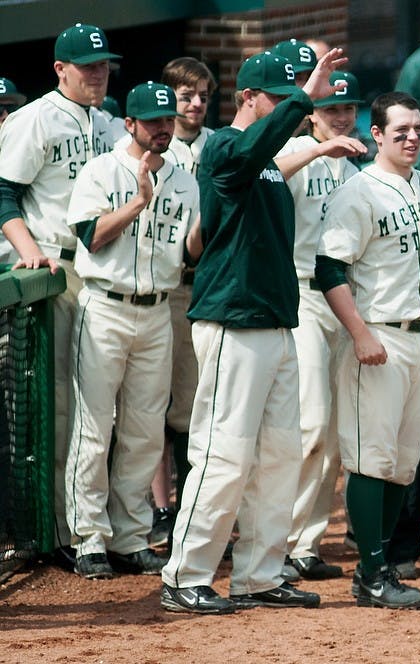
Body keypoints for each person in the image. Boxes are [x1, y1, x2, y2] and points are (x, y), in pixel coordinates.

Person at [160, 49, 346, 614]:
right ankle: (184, 573)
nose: (282, 110)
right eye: (274, 98)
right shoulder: (221, 145)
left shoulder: (263, 159)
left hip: (274, 319)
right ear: (248, 98)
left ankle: (261, 575)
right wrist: (304, 102)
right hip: (231, 318)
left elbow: (270, 160)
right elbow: (251, 151)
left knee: (279, 455)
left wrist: (315, 143)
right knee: (224, 452)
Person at [315, 91, 420, 609]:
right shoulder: (359, 193)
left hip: (419, 338)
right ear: (375, 134)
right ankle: (372, 571)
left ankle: (376, 572)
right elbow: (329, 270)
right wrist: (360, 334)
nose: (410, 138)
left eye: (417, 130)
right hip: (377, 337)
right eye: (399, 130)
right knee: (371, 460)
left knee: (404, 464)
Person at [0, 23, 126, 571]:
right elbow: (4, 191)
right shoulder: (34, 119)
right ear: (60, 69)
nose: (97, 73)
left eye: (102, 65)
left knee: (104, 411)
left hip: (108, 271)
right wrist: (27, 249)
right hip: (62, 267)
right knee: (61, 408)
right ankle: (60, 530)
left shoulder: (110, 122)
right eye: (87, 66)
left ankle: (96, 525)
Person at [63, 81, 199, 579]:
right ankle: (89, 537)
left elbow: (190, 253)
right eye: (153, 121)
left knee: (144, 432)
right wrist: (139, 202)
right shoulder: (100, 170)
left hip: (158, 310)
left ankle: (130, 536)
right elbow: (91, 238)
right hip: (105, 306)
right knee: (95, 427)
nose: (163, 128)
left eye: (168, 120)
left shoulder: (185, 180)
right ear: (130, 124)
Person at [274, 70, 367, 581]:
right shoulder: (295, 154)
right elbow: (264, 175)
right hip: (303, 297)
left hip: (345, 301)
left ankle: (306, 544)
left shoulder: (356, 170)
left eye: (349, 108)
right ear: (312, 113)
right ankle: (281, 541)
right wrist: (314, 151)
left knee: (332, 432)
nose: (342, 116)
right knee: (310, 424)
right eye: (333, 108)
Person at [147, 56, 218, 549]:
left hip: (207, 283)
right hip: (164, 285)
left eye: (203, 97)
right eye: (186, 96)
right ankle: (160, 508)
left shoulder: (217, 145)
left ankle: (192, 507)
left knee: (195, 405)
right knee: (156, 404)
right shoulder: (154, 150)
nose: (195, 105)